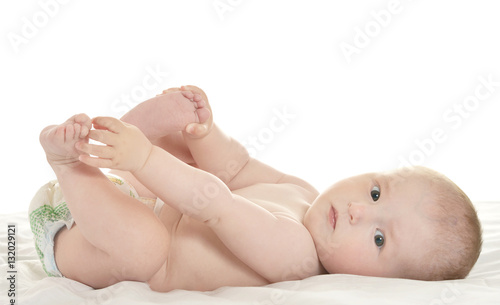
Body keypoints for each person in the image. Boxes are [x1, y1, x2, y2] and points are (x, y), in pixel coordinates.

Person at [29, 86, 483, 292]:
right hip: (131, 199)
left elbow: (218, 205)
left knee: (150, 248)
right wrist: (205, 134)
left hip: (83, 243)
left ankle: (71, 166)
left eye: (379, 239)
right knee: (182, 155)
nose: (358, 213)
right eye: (377, 194)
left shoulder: (297, 258)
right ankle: (110, 140)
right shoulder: (304, 192)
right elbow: (237, 168)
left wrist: (145, 159)